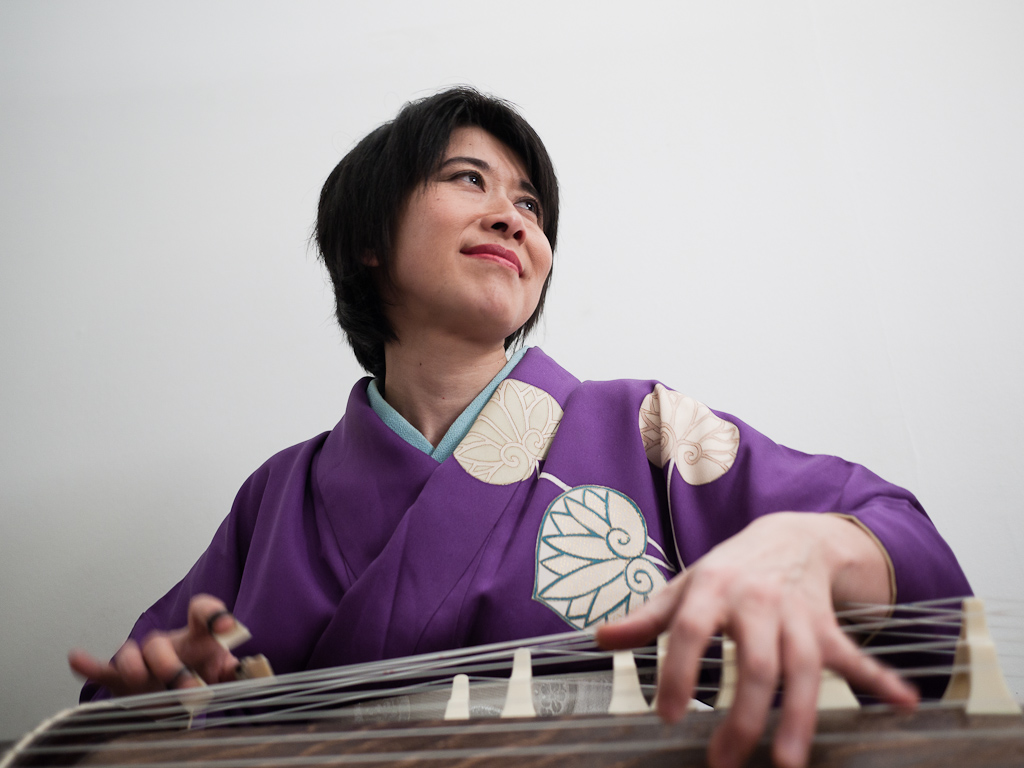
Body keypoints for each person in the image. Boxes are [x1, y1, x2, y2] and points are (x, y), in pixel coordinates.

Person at [68, 87, 971, 768]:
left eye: (531, 207)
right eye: (469, 180)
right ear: (369, 241)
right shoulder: (278, 498)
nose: (513, 217)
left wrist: (817, 547)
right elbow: (126, 702)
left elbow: (903, 547)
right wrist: (154, 706)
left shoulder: (642, 428)